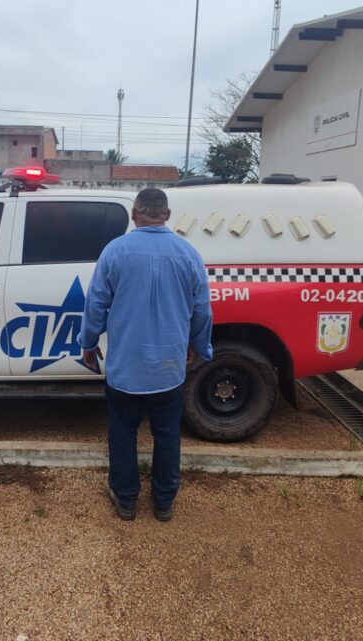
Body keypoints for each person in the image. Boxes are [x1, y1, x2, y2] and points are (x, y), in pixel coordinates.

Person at [78, 187, 213, 522]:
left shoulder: (115, 252)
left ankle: (126, 499)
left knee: (122, 433)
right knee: (167, 435)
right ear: (167, 215)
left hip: (125, 369)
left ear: (135, 214)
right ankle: (163, 501)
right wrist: (200, 345)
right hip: (169, 369)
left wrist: (88, 342)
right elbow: (202, 311)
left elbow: (96, 304)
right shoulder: (189, 254)